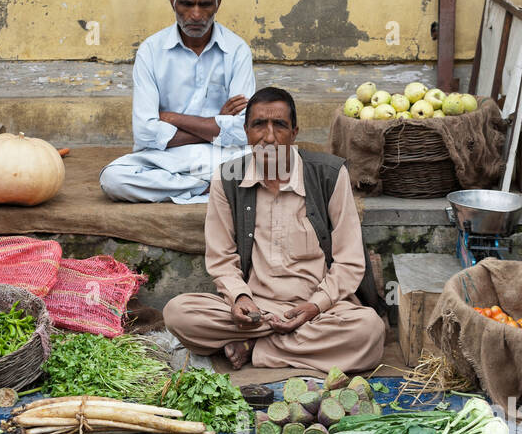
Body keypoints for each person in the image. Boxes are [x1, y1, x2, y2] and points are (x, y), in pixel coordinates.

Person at [163, 87, 385, 373]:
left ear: (294, 133)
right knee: (179, 314)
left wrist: (314, 307)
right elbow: (221, 260)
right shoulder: (228, 179)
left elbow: (350, 261)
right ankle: (285, 344)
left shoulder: (328, 175)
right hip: (255, 311)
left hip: (318, 309)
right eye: (259, 125)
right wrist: (241, 299)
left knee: (368, 332)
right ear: (246, 131)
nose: (268, 137)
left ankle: (257, 348)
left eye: (279, 125)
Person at [99, 0, 255, 204]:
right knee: (114, 179)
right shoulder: (151, 51)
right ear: (173, 3)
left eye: (204, 5)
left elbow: (242, 130)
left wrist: (172, 118)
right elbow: (145, 133)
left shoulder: (237, 50)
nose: (195, 14)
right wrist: (215, 124)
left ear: (217, 4)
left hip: (221, 157)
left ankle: (193, 187)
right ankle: (204, 188)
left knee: (271, 165)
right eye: (186, 4)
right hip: (164, 158)